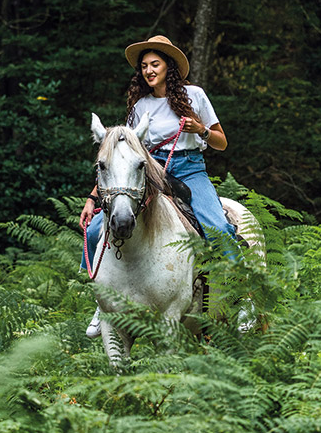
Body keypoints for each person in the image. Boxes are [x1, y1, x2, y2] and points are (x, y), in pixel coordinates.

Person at [80, 35, 236, 338]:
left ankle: (243, 297)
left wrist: (200, 129)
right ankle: (102, 305)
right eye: (145, 66)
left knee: (220, 229)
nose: (149, 70)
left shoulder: (195, 95)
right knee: (97, 229)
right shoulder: (140, 105)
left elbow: (221, 142)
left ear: (169, 66)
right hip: (152, 169)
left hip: (190, 169)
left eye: (155, 64)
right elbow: (119, 158)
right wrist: (93, 197)